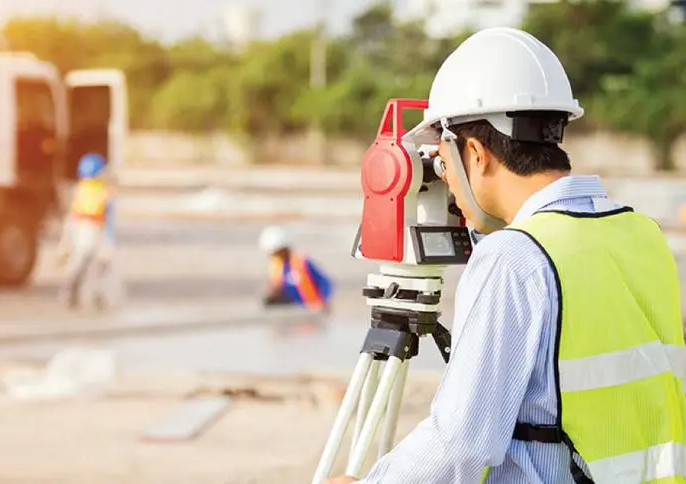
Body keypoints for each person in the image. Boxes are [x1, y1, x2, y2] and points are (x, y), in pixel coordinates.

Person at [326, 27, 685, 484]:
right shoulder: (641, 232)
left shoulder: (515, 259)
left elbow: (461, 445)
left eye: (444, 159)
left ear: (475, 153)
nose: (446, 181)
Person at [56, 153, 117, 310]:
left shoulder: (86, 190)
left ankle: (91, 294)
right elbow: (108, 216)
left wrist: (65, 241)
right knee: (86, 262)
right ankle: (75, 292)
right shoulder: (94, 191)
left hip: (92, 229)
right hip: (89, 229)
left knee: (97, 264)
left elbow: (71, 218)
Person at [258, 225, 333, 312]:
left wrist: (323, 300)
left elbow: (325, 283)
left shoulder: (303, 263)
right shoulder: (278, 269)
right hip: (291, 308)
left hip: (311, 307)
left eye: (277, 252)